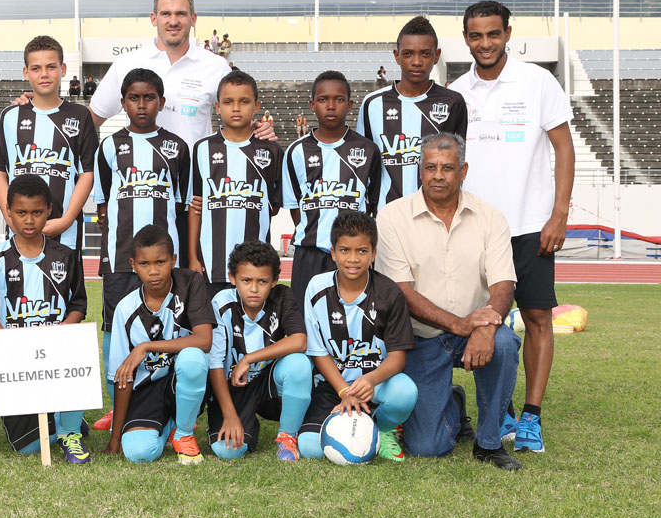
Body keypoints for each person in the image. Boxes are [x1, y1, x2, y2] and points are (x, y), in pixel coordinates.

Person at [450, 0, 575, 453]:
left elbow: (563, 147)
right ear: (466, 38)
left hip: (530, 225)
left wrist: (558, 213)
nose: (485, 43)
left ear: (507, 33)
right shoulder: (455, 92)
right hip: (476, 231)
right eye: (476, 35)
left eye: (493, 34)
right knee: (485, 321)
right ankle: (498, 410)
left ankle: (531, 417)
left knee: (538, 317)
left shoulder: (538, 81)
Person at [376, 134, 522, 470]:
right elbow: (401, 291)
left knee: (502, 343)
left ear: (463, 170)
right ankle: (454, 403)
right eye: (430, 167)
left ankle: (488, 443)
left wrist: (486, 326)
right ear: (420, 171)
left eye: (447, 167)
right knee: (427, 447)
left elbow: (504, 284)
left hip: (475, 331)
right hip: (419, 339)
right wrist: (460, 324)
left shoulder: (490, 216)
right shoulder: (393, 217)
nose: (438, 175)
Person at [93, 68, 191, 430]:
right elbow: (103, 205)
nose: (142, 104)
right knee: (114, 327)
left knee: (169, 326)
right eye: (134, 98)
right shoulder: (109, 146)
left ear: (161, 102)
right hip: (120, 258)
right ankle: (115, 404)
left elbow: (180, 207)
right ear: (122, 103)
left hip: (163, 263)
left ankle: (170, 400)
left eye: (149, 97)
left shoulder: (177, 148)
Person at [0, 174, 91, 462]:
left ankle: (69, 432)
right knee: (27, 445)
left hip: (55, 351)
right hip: (15, 357)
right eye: (21, 213)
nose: (29, 220)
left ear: (49, 211)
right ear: (9, 212)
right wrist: (16, 350)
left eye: (37, 212)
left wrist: (63, 331)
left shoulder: (66, 256)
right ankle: (64, 417)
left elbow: (78, 304)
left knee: (75, 348)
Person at [89, 0, 275, 150]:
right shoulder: (127, 63)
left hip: (196, 184)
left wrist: (261, 129)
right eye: (166, 14)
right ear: (154, 19)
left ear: (193, 19)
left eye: (181, 13)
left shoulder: (216, 66)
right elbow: (92, 119)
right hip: (144, 181)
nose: (173, 21)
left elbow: (243, 120)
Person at [298, 212, 418, 462]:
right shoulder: (316, 288)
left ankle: (384, 429)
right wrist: (344, 391)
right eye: (344, 250)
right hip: (333, 386)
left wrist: (371, 380)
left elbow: (397, 359)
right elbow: (318, 351)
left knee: (405, 392)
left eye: (362, 251)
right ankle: (361, 427)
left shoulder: (390, 293)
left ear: (374, 253)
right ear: (333, 252)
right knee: (310, 447)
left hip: (375, 385)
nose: (353, 259)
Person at [106, 226, 214, 464]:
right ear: (133, 264)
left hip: (180, 382)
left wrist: (145, 347)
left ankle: (184, 434)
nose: (153, 271)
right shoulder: (125, 309)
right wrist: (116, 438)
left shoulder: (190, 283)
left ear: (173, 260)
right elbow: (122, 377)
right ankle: (170, 426)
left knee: (193, 358)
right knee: (139, 454)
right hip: (146, 391)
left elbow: (204, 340)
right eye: (144, 264)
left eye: (160, 262)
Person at [281, 71, 381, 308]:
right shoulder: (296, 151)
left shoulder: (367, 150)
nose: (331, 106)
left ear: (350, 104)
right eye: (323, 99)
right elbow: (295, 207)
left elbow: (372, 203)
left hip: (353, 254)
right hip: (310, 254)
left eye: (338, 99)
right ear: (312, 104)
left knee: (354, 321)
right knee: (306, 323)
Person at [206, 241, 311, 461]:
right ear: (233, 278)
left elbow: (299, 341)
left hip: (265, 384)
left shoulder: (282, 296)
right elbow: (214, 363)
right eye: (246, 280)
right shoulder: (221, 303)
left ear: (274, 281)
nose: (254, 289)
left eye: (262, 281)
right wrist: (230, 415)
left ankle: (287, 437)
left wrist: (250, 358)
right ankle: (243, 422)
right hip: (231, 387)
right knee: (228, 452)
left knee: (299, 364)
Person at [0, 35, 97, 253]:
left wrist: (66, 220)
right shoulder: (10, 116)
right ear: (26, 72)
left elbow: (87, 173)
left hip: (64, 233)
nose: (44, 74)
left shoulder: (80, 116)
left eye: (51, 67)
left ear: (63, 69)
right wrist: (11, 218)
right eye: (36, 68)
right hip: (17, 233)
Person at [357, 16, 468, 211]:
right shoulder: (372, 104)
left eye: (425, 54)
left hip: (437, 214)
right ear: (397, 55)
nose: (416, 62)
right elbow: (364, 168)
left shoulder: (453, 103)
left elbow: (457, 165)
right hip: (387, 216)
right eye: (408, 54)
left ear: (436, 55)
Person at [189, 70, 282, 297]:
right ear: (218, 107)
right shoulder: (203, 149)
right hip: (211, 264)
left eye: (244, 101)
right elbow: (196, 207)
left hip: (256, 268)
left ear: (257, 106)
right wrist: (193, 257)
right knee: (213, 329)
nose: (236, 108)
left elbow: (275, 205)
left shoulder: (271, 150)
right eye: (228, 102)